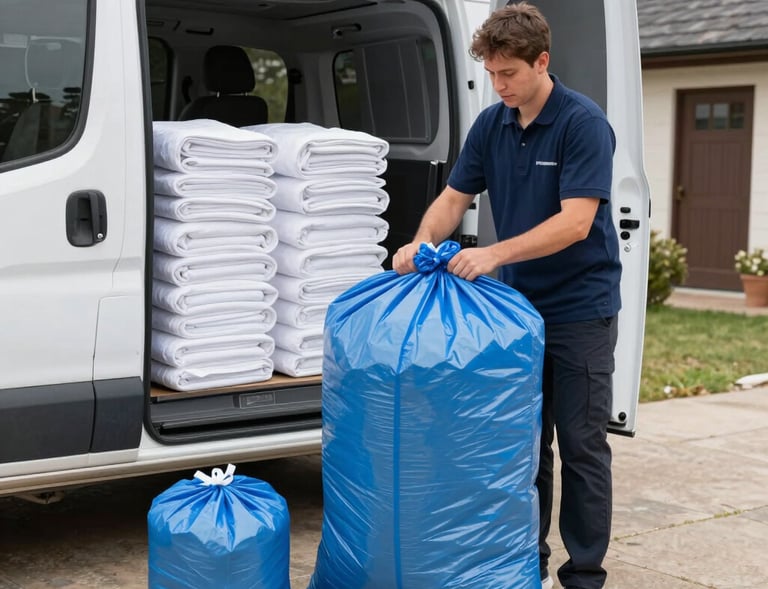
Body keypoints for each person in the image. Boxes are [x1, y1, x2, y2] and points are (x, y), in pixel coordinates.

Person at [392, 3, 621, 589]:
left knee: (582, 446)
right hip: (518, 314)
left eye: (508, 74)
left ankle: (585, 576)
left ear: (542, 62)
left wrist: (493, 254)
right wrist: (420, 243)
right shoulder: (493, 123)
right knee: (524, 445)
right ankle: (530, 567)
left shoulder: (582, 123)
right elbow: (453, 198)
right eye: (492, 74)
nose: (499, 86)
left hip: (580, 311)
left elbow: (575, 222)